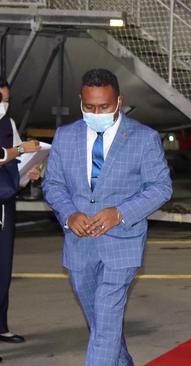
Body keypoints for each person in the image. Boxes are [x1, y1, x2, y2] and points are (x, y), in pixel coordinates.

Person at [42, 69, 172, 365]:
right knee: (101, 323)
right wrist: (68, 214)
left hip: (122, 244)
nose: (96, 112)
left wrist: (120, 214)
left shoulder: (143, 138)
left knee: (107, 317)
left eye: (103, 107)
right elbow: (53, 184)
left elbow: (161, 187)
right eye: (89, 107)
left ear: (119, 102)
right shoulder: (65, 136)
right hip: (79, 245)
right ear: (81, 101)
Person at [0, 78, 41, 345]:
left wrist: (29, 172)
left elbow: (16, 164)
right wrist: (21, 149)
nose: (4, 105)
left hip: (4, 202)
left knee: (3, 267)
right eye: (1, 99)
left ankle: (1, 325)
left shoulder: (9, 123)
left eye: (7, 100)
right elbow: (9, 154)